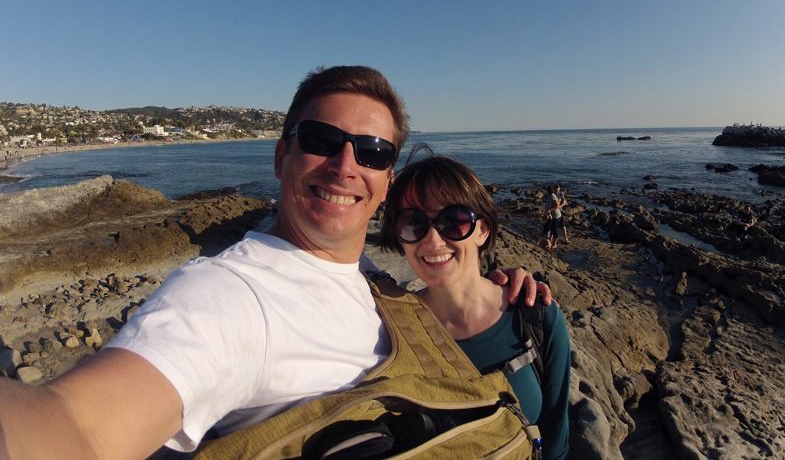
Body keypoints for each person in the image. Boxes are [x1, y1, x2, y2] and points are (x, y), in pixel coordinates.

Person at [0, 66, 550, 459]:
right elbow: (78, 427)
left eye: (373, 152)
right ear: (281, 155)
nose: (344, 165)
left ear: (385, 185)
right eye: (320, 139)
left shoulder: (380, 289)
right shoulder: (231, 295)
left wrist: (498, 289)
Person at [380, 154, 571, 460]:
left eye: (453, 221)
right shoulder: (390, 329)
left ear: (482, 230)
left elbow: (555, 444)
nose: (432, 240)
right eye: (414, 222)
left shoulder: (535, 316)